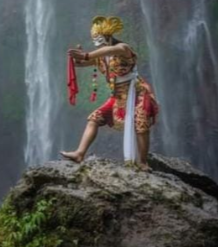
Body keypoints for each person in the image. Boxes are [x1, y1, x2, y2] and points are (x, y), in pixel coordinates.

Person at [60, 16, 159, 171]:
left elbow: (107, 51)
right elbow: (81, 64)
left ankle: (143, 162)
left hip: (137, 92)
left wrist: (86, 55)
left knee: (141, 125)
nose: (95, 41)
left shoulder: (122, 49)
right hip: (118, 95)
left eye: (98, 38)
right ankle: (79, 153)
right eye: (93, 38)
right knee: (94, 118)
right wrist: (74, 57)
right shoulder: (99, 57)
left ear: (107, 36)